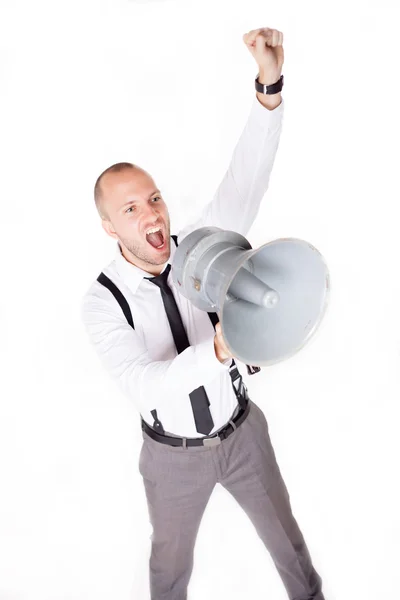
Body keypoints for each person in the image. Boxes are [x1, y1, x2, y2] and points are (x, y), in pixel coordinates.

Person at [82, 27, 325, 600]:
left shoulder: (199, 243)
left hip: (243, 435)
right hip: (172, 459)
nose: (154, 215)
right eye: (132, 208)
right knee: (169, 574)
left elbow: (248, 178)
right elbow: (148, 386)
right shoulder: (102, 303)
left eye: (156, 199)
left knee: (289, 549)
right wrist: (217, 350)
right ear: (110, 227)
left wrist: (269, 86)